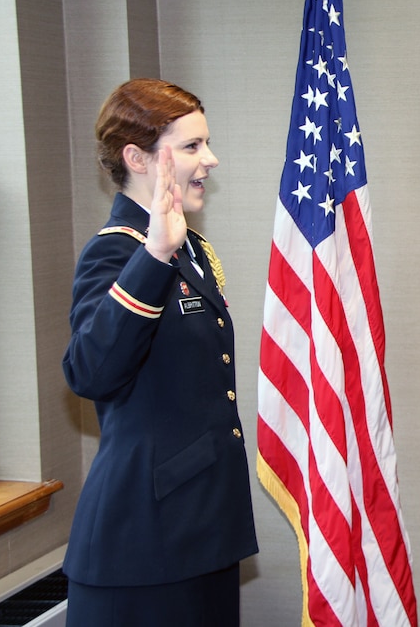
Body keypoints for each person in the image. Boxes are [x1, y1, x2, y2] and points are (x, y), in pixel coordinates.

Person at [61, 79, 257, 627]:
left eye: (206, 143)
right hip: (142, 547)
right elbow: (89, 370)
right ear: (137, 158)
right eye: (192, 146)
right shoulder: (118, 252)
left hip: (202, 532)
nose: (211, 160)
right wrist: (153, 255)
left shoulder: (191, 248)